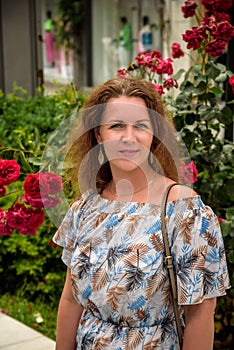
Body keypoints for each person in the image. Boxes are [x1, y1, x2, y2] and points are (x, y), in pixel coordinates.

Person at [53, 77, 230, 349]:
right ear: (99, 135)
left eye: (141, 126)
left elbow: (200, 314)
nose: (129, 137)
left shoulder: (183, 211)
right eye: (116, 126)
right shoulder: (85, 207)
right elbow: (71, 298)